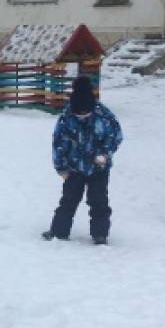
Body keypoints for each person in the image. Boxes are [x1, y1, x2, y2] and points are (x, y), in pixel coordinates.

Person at [42, 75, 123, 245]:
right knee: (68, 200)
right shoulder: (66, 118)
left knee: (99, 200)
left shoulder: (104, 116)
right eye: (79, 113)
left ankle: (100, 234)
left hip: (98, 168)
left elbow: (116, 137)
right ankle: (59, 232)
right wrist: (61, 168)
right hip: (74, 168)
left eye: (85, 113)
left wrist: (105, 154)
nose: (82, 115)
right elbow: (58, 144)